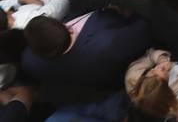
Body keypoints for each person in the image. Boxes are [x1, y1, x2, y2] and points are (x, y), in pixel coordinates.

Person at [20, 9, 152, 90]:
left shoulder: (30, 62)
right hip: (122, 66)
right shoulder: (108, 41)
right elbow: (144, 30)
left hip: (97, 82)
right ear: (66, 27)